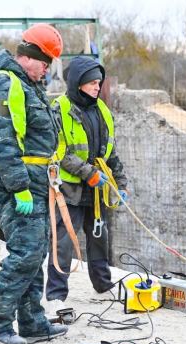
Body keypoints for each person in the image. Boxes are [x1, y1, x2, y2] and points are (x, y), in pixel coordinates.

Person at [0, 24, 68, 344]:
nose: (47, 69)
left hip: (35, 184)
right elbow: (3, 143)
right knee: (26, 252)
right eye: (45, 62)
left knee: (35, 251)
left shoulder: (29, 85)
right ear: (30, 57)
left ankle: (32, 322)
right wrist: (18, 188)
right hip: (13, 185)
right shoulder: (4, 83)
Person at [46, 56, 128, 306]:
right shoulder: (59, 109)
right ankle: (56, 295)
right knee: (63, 243)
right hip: (68, 191)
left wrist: (121, 184)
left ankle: (103, 285)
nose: (96, 87)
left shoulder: (102, 110)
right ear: (77, 82)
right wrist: (88, 173)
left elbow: (110, 152)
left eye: (98, 82)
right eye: (92, 82)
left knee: (99, 239)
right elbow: (60, 153)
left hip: (96, 194)